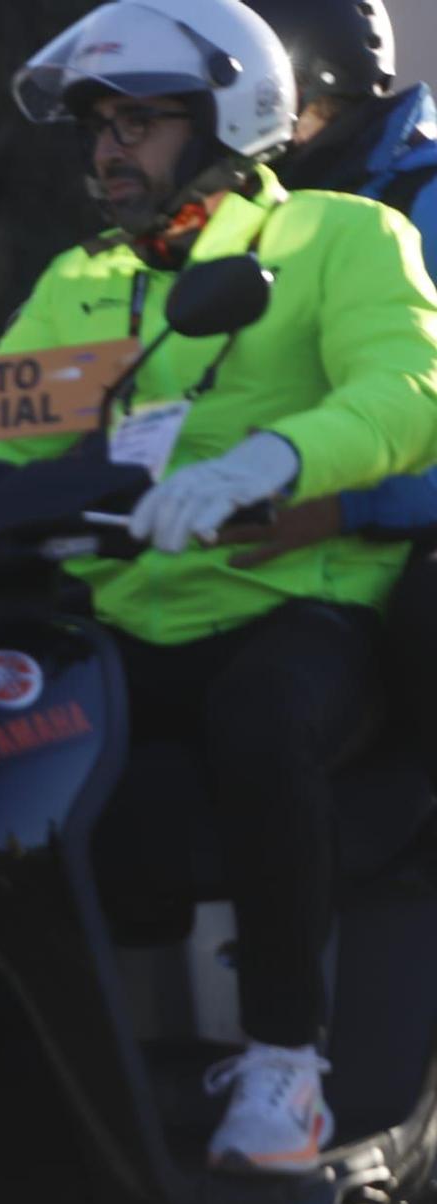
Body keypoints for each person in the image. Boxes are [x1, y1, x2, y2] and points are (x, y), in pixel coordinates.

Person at [0, 0, 437, 1172]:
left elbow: (408, 388)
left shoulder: (340, 239)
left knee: (259, 714)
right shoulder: (82, 277)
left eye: (137, 123)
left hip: (302, 610)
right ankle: (45, 1056)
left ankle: (284, 1064)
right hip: (126, 622)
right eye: (97, 127)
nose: (106, 149)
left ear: (229, 117)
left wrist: (269, 460)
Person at [221, 0, 437, 774]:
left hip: (397, 535)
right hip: (275, 525)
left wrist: (348, 505)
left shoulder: (426, 201)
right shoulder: (243, 210)